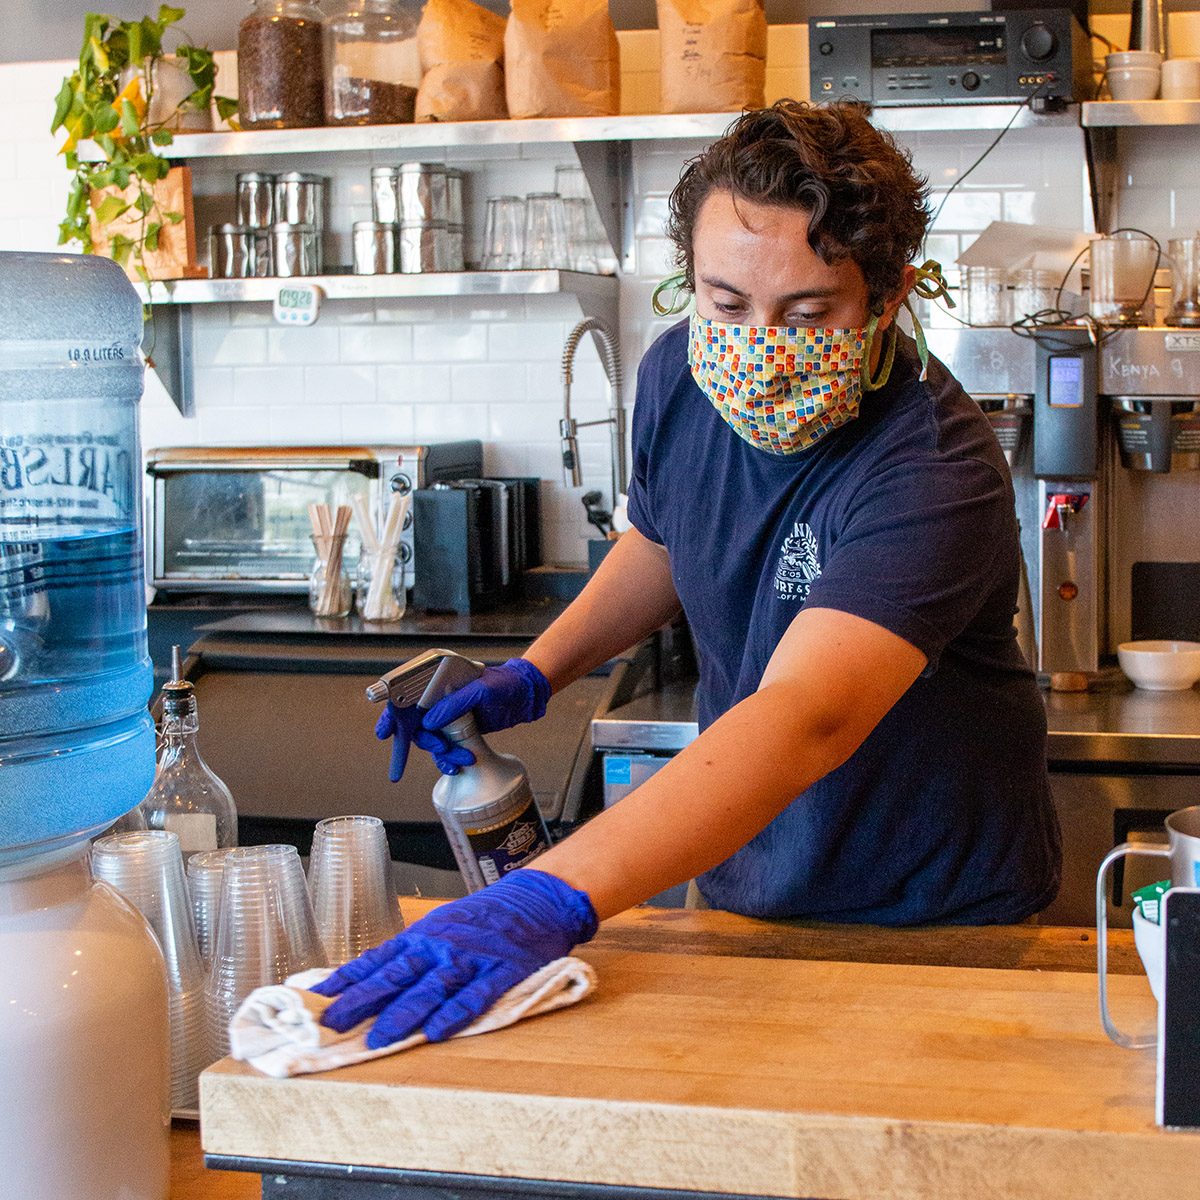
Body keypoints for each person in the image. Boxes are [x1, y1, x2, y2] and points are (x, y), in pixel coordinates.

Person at [313, 100, 1061, 1049]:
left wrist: (552, 895)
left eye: (808, 311)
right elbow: (664, 543)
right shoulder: (678, 376)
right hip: (745, 887)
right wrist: (537, 673)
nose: (758, 345)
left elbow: (807, 715)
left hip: (935, 920)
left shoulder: (932, 468)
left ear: (889, 294)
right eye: (727, 302)